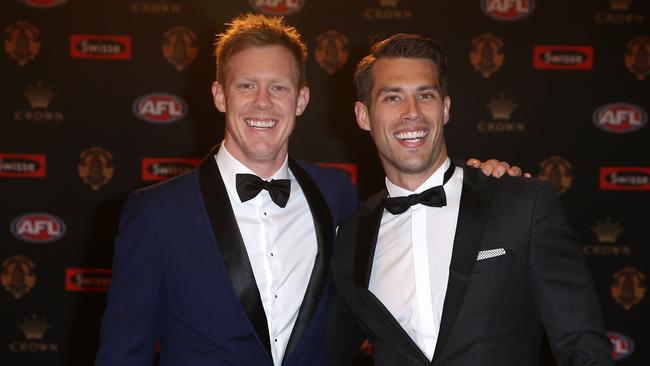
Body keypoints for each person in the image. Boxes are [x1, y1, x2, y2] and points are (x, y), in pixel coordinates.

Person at [95, 14, 517, 366]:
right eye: (246, 86)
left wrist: (478, 178)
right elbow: (122, 353)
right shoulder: (156, 213)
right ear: (220, 95)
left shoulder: (338, 196)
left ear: (301, 99)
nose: (263, 102)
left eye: (279, 87)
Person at [327, 33, 613, 366]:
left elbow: (583, 346)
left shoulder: (521, 204)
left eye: (426, 95)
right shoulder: (351, 238)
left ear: (445, 108)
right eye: (393, 98)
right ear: (363, 116)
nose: (412, 113)